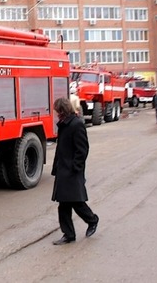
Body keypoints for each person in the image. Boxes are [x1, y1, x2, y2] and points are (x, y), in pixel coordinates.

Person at [50, 97, 99, 245]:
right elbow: (60, 149)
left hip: (71, 171)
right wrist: (56, 167)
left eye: (58, 111)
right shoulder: (64, 124)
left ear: (63, 111)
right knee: (64, 205)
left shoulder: (76, 124)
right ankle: (69, 235)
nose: (56, 114)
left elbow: (82, 149)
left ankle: (92, 220)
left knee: (76, 202)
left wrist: (75, 168)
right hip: (63, 170)